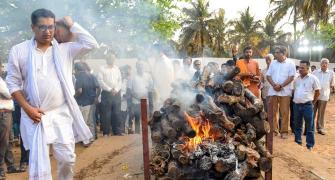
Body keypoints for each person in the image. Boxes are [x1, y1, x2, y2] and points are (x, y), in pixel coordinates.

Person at [6, 9, 98, 179]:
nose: (47, 31)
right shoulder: (19, 51)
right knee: (39, 168)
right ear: (32, 27)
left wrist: (71, 24)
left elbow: (91, 44)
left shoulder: (65, 50)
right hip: (35, 115)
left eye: (51, 27)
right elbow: (12, 83)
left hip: (61, 113)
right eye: (42, 27)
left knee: (68, 159)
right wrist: (27, 109)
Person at [266, 46, 296, 139]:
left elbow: (291, 77)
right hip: (273, 91)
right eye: (275, 52)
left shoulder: (291, 63)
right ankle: (274, 131)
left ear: (283, 54)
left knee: (284, 112)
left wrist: (281, 86)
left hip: (285, 92)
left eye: (277, 52)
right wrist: (274, 85)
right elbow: (268, 75)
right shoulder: (273, 63)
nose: (275, 54)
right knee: (272, 112)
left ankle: (284, 131)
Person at [1, 61, 24, 180]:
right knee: (3, 142)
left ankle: (10, 166)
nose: (2, 68)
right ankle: (1, 168)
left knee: (9, 140)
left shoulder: (1, 80)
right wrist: (16, 92)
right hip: (3, 114)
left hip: (7, 113)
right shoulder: (0, 81)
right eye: (1, 66)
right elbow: (10, 95)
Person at [293, 60, 320, 150]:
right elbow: (294, 90)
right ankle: (298, 142)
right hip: (296, 105)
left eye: (302, 68)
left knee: (310, 126)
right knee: (297, 125)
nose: (300, 69)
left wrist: (313, 103)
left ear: (308, 68)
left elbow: (317, 92)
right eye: (299, 67)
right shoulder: (296, 79)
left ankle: (310, 145)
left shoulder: (313, 78)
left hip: (307, 105)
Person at [97, 53, 124, 136]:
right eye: (110, 58)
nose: (112, 60)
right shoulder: (102, 68)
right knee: (106, 114)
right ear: (107, 59)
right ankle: (106, 132)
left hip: (116, 93)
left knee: (117, 113)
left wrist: (116, 89)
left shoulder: (117, 68)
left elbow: (120, 80)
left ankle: (117, 132)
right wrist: (109, 89)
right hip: (106, 94)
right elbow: (100, 81)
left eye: (113, 58)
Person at [74, 62, 101, 144]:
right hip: (92, 101)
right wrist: (96, 97)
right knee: (91, 121)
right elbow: (99, 87)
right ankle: (91, 137)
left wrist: (73, 97)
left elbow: (79, 90)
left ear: (76, 69)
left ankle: (86, 140)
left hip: (83, 103)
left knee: (83, 122)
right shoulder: (91, 75)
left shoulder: (78, 77)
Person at [128, 60, 154, 134]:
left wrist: (151, 105)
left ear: (144, 66)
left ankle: (145, 133)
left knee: (145, 118)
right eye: (139, 65)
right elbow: (129, 90)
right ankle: (137, 134)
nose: (140, 67)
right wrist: (137, 97)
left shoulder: (148, 76)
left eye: (142, 65)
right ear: (136, 67)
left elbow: (151, 90)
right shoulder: (132, 76)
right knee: (137, 118)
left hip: (146, 101)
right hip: (135, 101)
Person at [312, 58, 334, 135]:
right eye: (323, 63)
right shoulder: (315, 72)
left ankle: (320, 128)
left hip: (324, 96)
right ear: (320, 64)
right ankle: (311, 128)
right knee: (312, 112)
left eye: (326, 63)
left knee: (321, 113)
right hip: (314, 96)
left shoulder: (331, 73)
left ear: (328, 64)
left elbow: (331, 85)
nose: (324, 64)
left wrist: (329, 96)